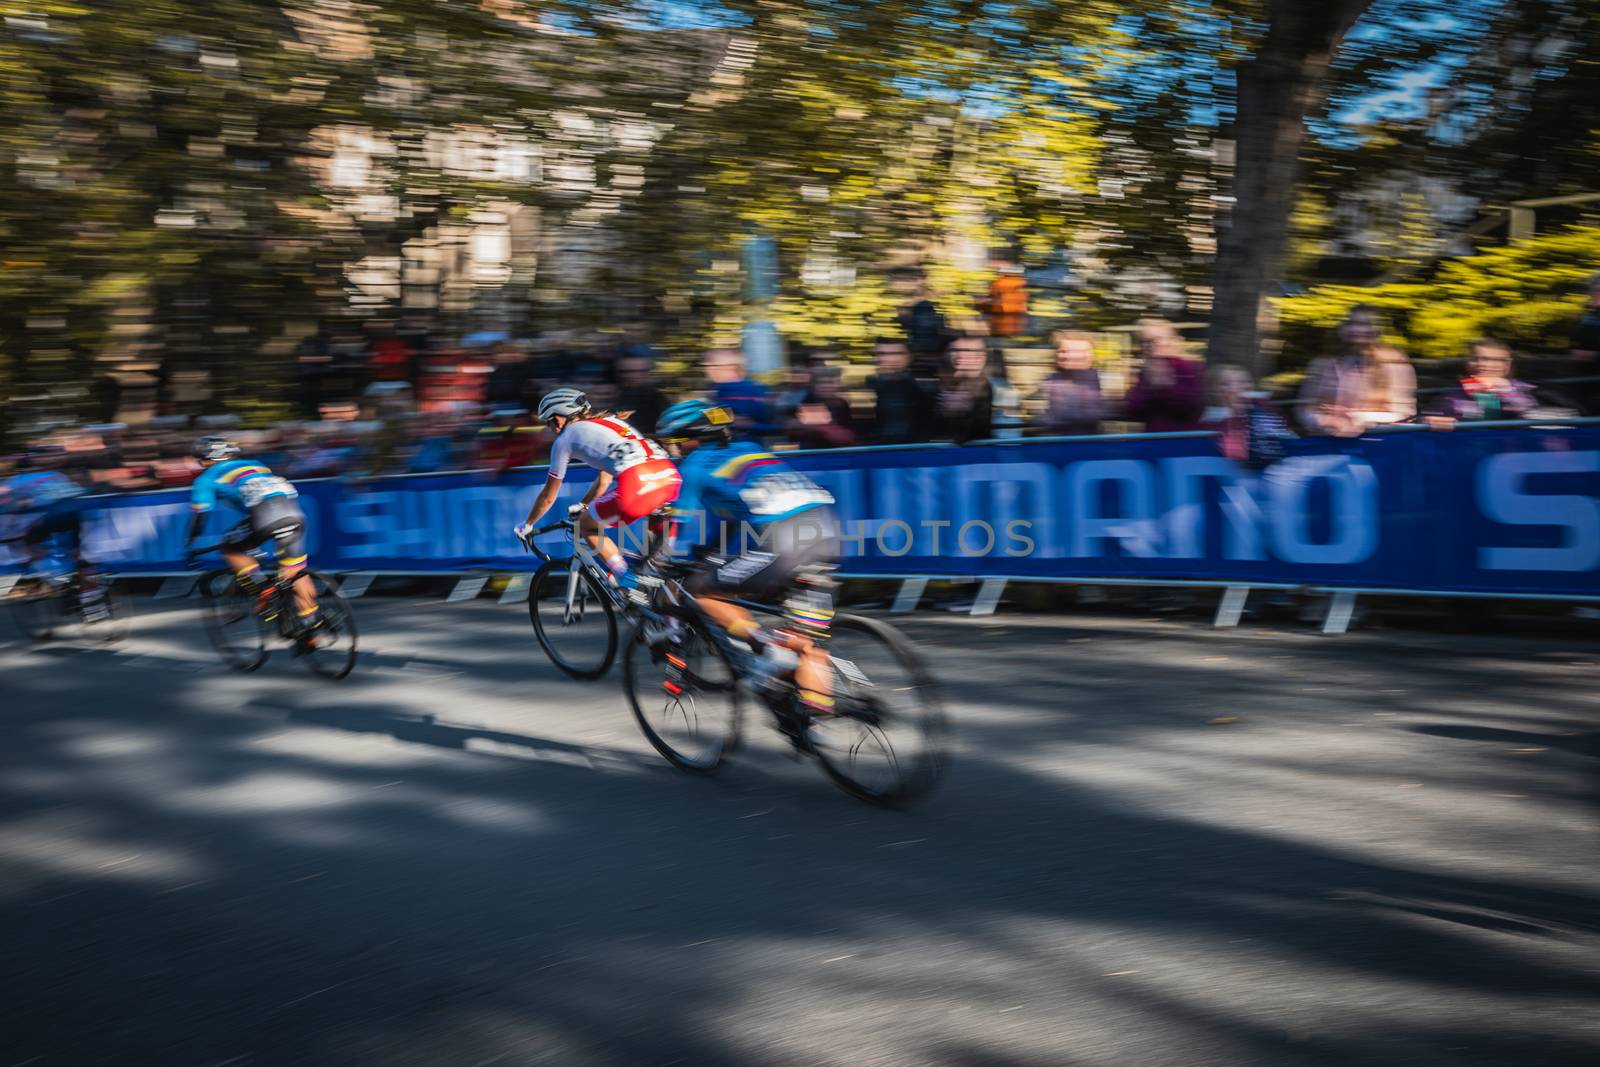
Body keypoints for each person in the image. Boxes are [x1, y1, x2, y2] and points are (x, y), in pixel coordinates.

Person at [654, 399, 840, 727]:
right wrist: (710, 550)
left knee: (702, 591)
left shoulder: (695, 464)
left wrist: (657, 562)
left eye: (674, 443)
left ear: (691, 439)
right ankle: (817, 723)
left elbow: (675, 529)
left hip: (783, 542)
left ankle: (765, 647)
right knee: (807, 643)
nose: (672, 451)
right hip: (825, 531)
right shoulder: (750, 449)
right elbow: (733, 518)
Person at [514, 388, 681, 593]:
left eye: (548, 422)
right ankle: (671, 620)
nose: (548, 428)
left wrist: (527, 524)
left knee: (584, 527)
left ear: (558, 419)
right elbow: (604, 479)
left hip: (637, 484)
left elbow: (548, 496)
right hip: (669, 476)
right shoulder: (614, 423)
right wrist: (584, 505)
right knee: (657, 568)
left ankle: (625, 577)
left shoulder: (564, 440)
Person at [183, 436, 320, 632]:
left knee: (230, 548)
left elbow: (200, 516)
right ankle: (312, 625)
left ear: (207, 460)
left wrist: (190, 544)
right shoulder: (256, 464)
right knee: (294, 571)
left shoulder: (205, 478)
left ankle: (263, 590)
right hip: (294, 513)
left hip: (264, 516)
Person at [2, 456, 104, 617]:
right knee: (78, 556)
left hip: (55, 514)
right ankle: (92, 603)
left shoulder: (17, 480)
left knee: (27, 541)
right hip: (79, 511)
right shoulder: (55, 474)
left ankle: (47, 571)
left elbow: (8, 501)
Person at [1297, 305, 1416, 436]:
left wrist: (1357, 418)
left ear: (1378, 329)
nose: (1357, 329)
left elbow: (1403, 411)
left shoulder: (1394, 363)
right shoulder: (1323, 364)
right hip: (1326, 441)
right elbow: (1304, 409)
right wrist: (1321, 421)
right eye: (1352, 323)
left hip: (1376, 440)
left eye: (1366, 324)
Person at [1426, 338, 1538, 426]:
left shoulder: (1522, 390)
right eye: (1475, 359)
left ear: (1507, 365)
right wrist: (1429, 421)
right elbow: (1427, 420)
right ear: (1467, 363)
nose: (1481, 364)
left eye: (1492, 360)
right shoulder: (1453, 394)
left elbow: (1532, 415)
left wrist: (1505, 391)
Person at [1124, 318, 1205, 433]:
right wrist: (1150, 388)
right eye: (1147, 341)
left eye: (1158, 339)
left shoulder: (1188, 368)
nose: (1154, 345)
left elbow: (1192, 407)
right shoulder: (1146, 371)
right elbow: (1133, 410)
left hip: (1183, 441)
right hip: (1154, 440)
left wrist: (1164, 387)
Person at [868, 338, 934, 444]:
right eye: (879, 353)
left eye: (893, 354)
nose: (881, 359)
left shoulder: (918, 388)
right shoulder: (880, 385)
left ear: (908, 358)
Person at [1038, 330, 1103, 436]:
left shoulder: (1101, 380)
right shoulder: (1050, 380)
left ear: (1090, 355)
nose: (1068, 356)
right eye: (1063, 351)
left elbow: (1095, 415)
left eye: (1078, 352)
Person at [703, 348, 775, 442]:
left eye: (715, 365)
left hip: (748, 450)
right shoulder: (714, 392)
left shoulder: (755, 390)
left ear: (731, 367)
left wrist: (750, 426)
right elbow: (714, 423)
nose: (709, 370)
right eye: (708, 366)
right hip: (719, 450)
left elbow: (778, 427)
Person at [936, 334, 995, 444]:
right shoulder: (942, 382)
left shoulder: (986, 386)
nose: (959, 355)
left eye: (966, 351)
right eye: (954, 350)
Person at [784, 364, 858, 450]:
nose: (826, 386)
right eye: (821, 382)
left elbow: (849, 434)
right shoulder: (810, 401)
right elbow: (824, 430)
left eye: (831, 382)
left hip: (838, 452)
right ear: (814, 386)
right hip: (815, 452)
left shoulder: (842, 403)